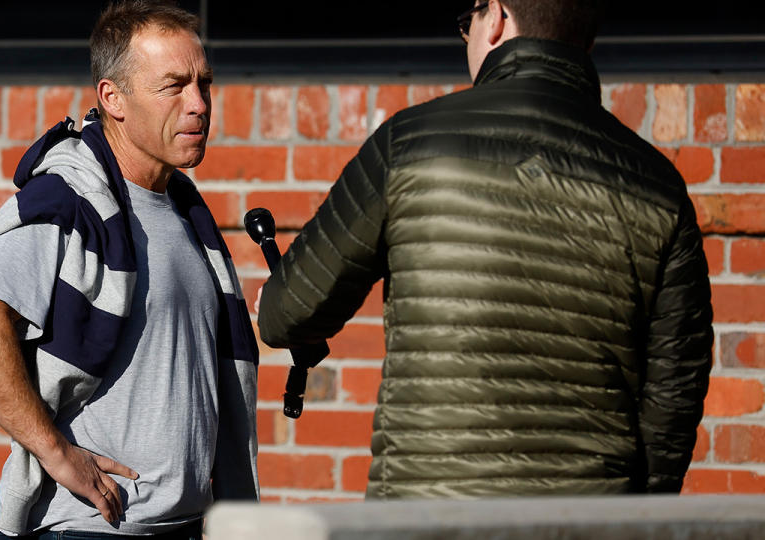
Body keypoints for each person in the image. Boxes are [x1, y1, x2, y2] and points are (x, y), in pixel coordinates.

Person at [258, 0, 712, 498]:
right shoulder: (658, 186)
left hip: (427, 518)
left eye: (466, 23)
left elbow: (288, 315)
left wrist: (275, 300)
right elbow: (675, 393)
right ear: (586, 40)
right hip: (586, 520)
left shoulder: (409, 144)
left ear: (495, 17)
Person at [0, 1, 259, 538]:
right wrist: (57, 452)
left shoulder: (184, 211)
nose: (199, 104)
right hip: (91, 527)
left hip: (185, 525)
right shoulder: (68, 200)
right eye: (173, 86)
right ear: (113, 98)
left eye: (205, 83)